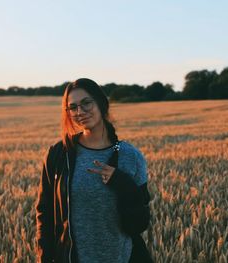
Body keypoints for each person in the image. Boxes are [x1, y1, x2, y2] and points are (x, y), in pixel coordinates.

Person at [35, 78, 152, 263]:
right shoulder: (59, 155)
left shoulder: (131, 157)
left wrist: (123, 184)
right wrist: (45, 257)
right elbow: (45, 211)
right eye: (72, 107)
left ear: (101, 103)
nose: (80, 112)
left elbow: (140, 223)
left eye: (86, 103)